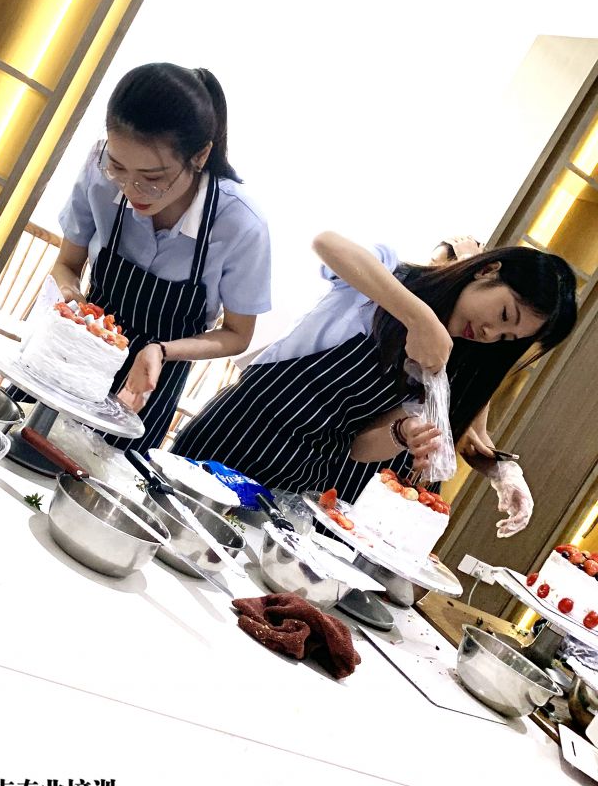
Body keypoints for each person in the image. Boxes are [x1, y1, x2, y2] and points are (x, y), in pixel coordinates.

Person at [171, 233, 577, 537]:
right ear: (487, 270)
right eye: (503, 314)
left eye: (506, 338)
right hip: (239, 433)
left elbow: (361, 447)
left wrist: (402, 434)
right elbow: (328, 244)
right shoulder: (389, 280)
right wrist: (420, 318)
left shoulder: (441, 364)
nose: (489, 333)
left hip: (298, 477)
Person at [52, 62, 272, 453]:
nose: (131, 188)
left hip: (150, 386)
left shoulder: (239, 223)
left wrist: (162, 349)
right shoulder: (98, 170)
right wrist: (73, 300)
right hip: (75, 356)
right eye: (118, 167)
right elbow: (67, 264)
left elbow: (238, 334)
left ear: (200, 156)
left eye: (152, 178)